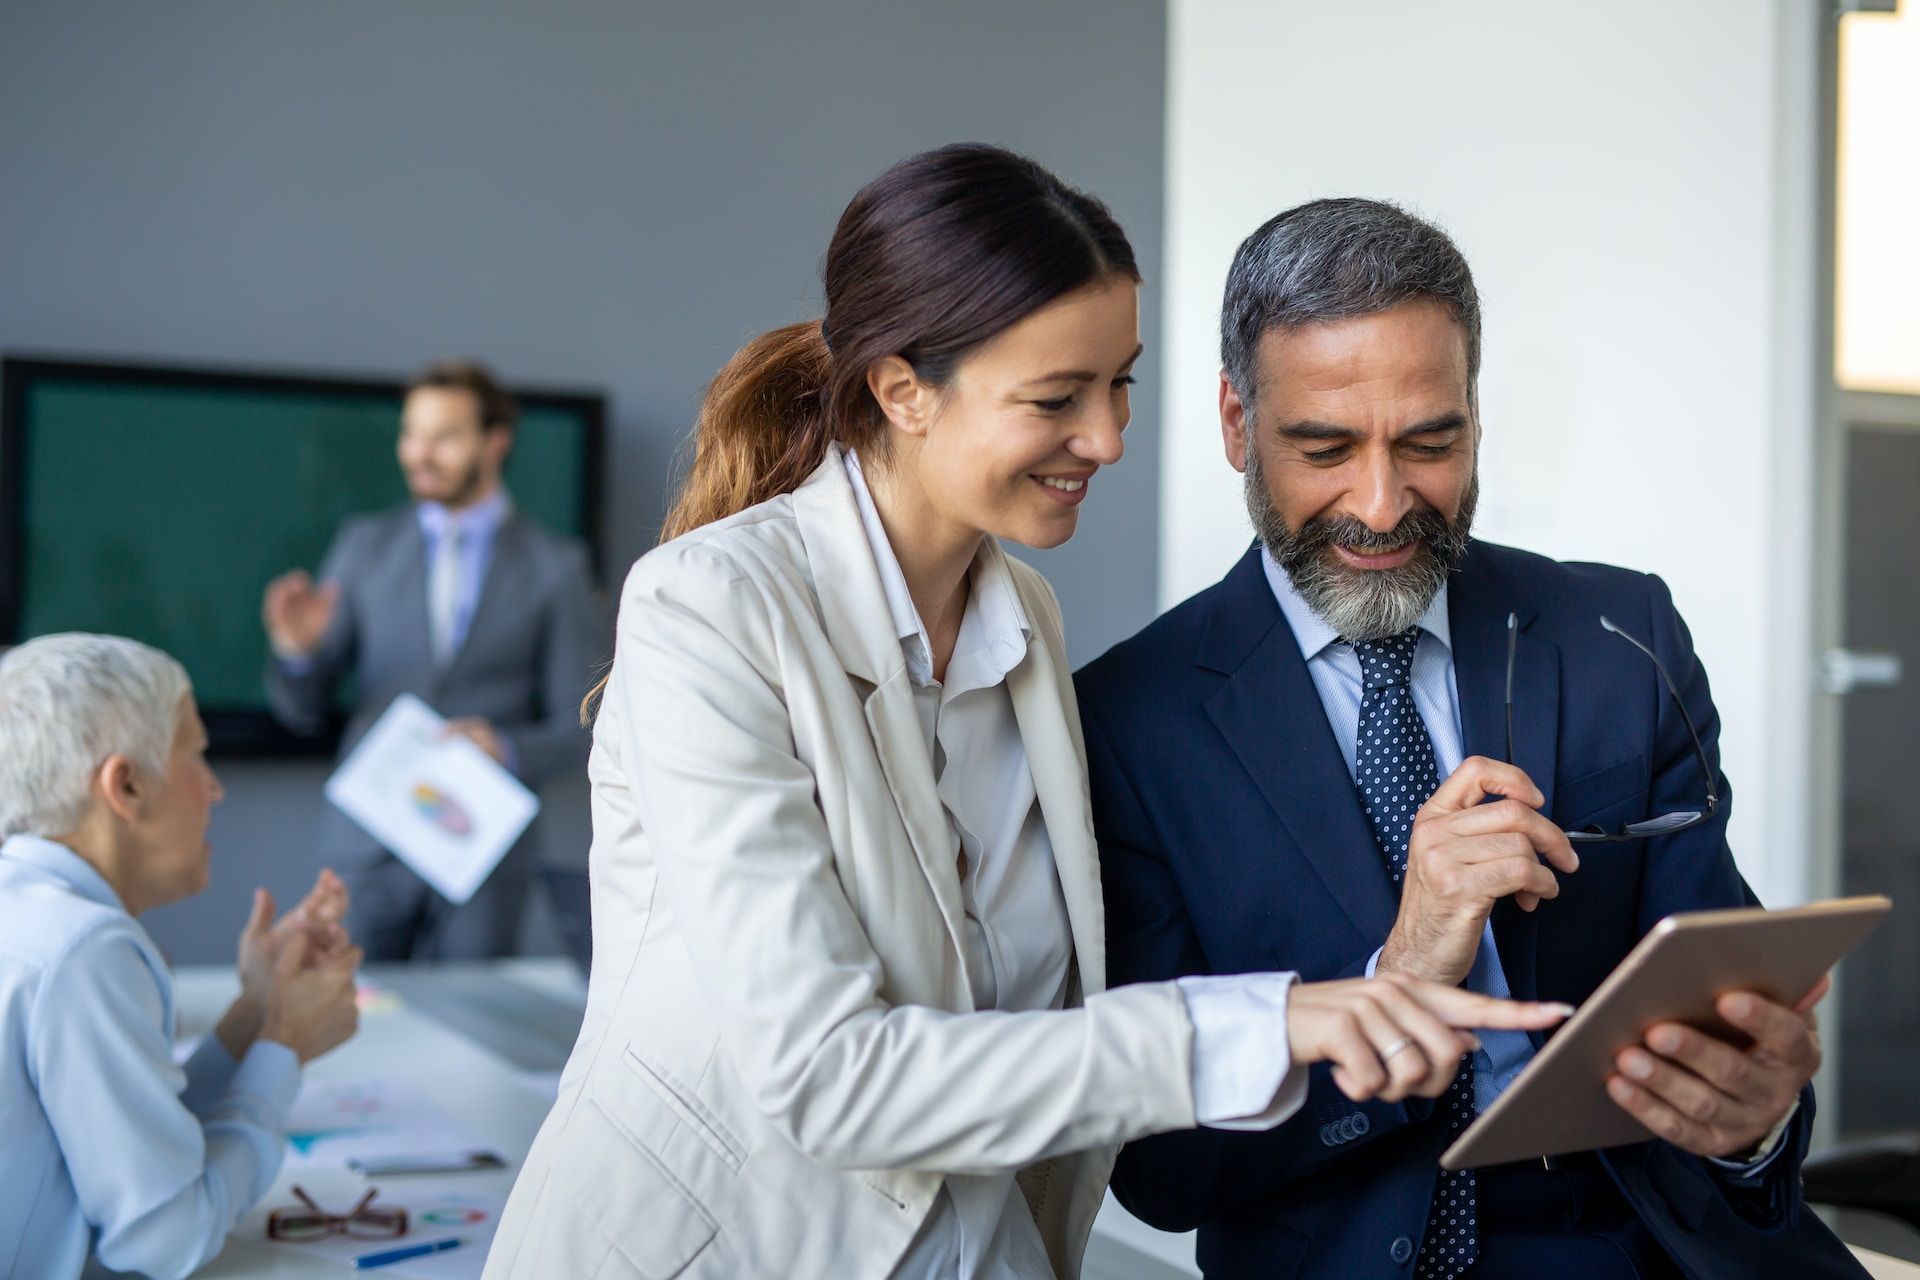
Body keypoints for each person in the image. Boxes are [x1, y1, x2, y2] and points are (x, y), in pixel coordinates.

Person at [484, 146, 1567, 1280]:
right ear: (903, 389)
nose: (1107, 438)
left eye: (1120, 384)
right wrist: (1265, 1021)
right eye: (1058, 398)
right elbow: (828, 1077)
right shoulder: (706, 609)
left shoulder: (1027, 627)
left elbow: (1037, 1034)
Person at [1077, 198, 1865, 1279]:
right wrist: (1395, 972)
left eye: (1430, 441)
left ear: (1475, 417)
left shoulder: (1618, 638)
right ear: (1234, 422)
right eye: (1324, 446)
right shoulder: (1129, 719)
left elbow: (1717, 1004)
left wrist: (1755, 1118)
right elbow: (1158, 1169)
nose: (1383, 501)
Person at [0, 633, 362, 1280]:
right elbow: (167, 1238)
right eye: (197, 754)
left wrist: (257, 1013)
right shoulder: (85, 948)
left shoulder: (31, 915)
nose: (217, 789)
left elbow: (141, 1147)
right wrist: (287, 1043)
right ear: (127, 785)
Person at [262, 359, 600, 961]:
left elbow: (585, 725)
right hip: (368, 845)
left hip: (484, 852)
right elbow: (302, 711)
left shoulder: (556, 566)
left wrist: (508, 749)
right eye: (411, 435)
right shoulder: (363, 547)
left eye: (443, 437)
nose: (420, 453)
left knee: (472, 1040)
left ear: (495, 441)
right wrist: (299, 653)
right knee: (348, 1025)